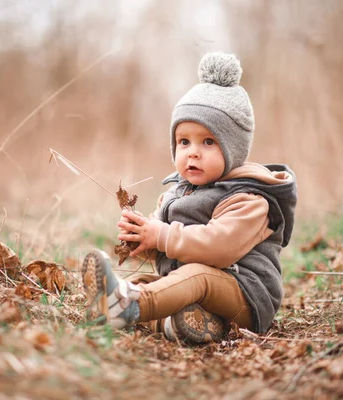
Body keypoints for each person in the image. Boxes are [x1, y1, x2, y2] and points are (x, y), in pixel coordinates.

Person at [82, 52, 297, 344]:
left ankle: (129, 305)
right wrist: (144, 240)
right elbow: (167, 246)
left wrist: (161, 235)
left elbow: (217, 248)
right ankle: (170, 321)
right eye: (184, 141)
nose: (193, 152)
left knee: (197, 275)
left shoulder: (250, 198)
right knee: (146, 283)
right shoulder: (176, 194)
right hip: (199, 292)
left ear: (233, 148)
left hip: (246, 297)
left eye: (208, 141)